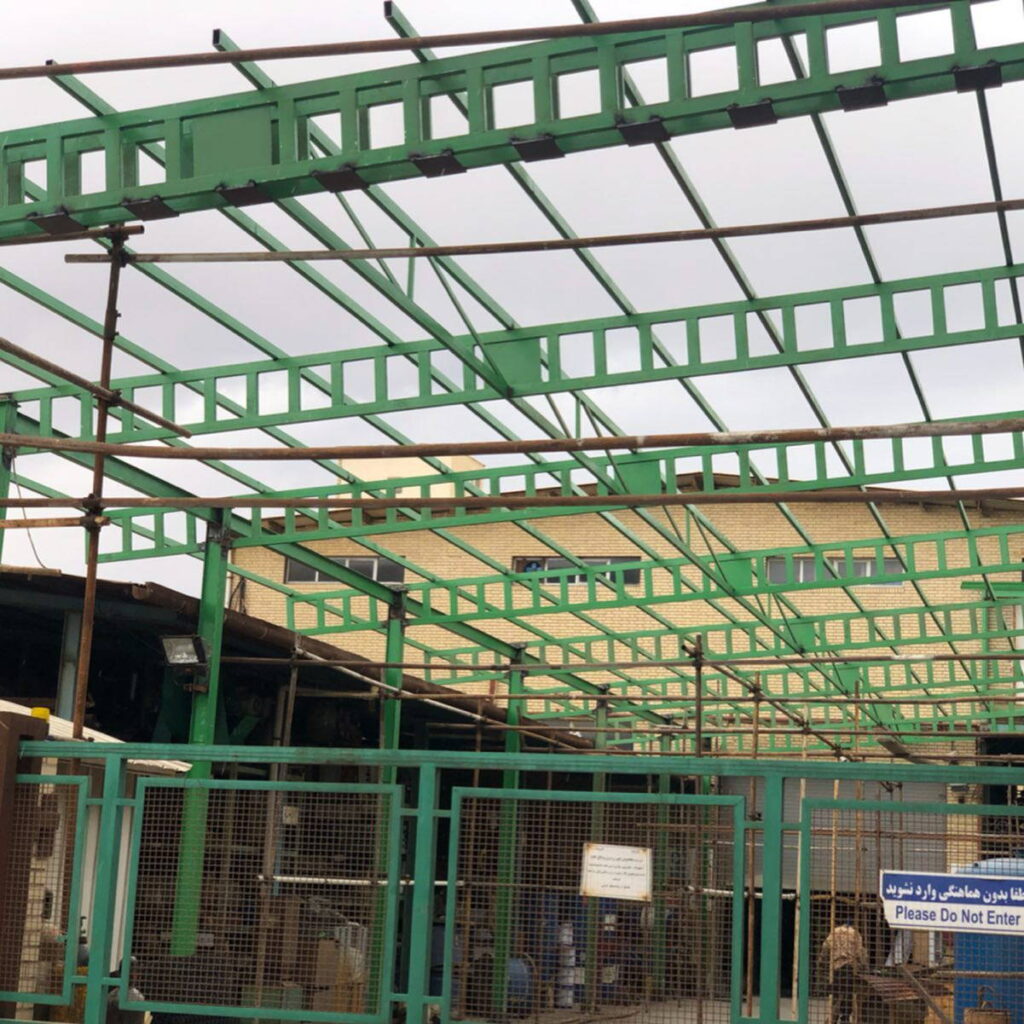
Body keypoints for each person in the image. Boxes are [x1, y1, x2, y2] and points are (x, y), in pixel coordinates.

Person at [819, 922, 867, 1024]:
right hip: (850, 968)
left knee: (836, 995)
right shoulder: (856, 934)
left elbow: (825, 948)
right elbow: (860, 953)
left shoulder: (834, 932)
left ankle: (834, 1018)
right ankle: (845, 1016)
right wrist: (864, 967)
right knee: (850, 993)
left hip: (836, 968)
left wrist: (822, 963)